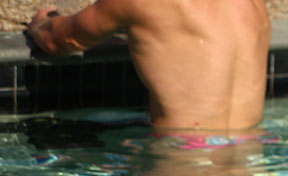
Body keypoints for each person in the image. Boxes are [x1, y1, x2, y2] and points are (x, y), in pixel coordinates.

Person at [25, 0, 270, 132]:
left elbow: (58, 41)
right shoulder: (254, 3)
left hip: (183, 156)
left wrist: (42, 22)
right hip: (250, 150)